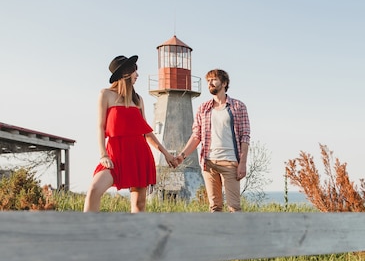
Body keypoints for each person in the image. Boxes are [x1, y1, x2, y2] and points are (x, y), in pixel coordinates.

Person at [84, 55, 178, 213]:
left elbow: (146, 132)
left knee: (139, 205)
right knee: (94, 189)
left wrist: (166, 153)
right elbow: (100, 127)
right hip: (115, 155)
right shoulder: (106, 94)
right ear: (126, 73)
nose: (138, 75)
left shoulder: (138, 100)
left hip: (138, 154)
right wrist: (103, 155)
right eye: (135, 71)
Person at [176, 69, 250, 212]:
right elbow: (196, 135)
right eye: (208, 81)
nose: (210, 83)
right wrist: (182, 156)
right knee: (215, 207)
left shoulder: (238, 107)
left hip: (230, 163)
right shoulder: (203, 108)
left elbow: (245, 136)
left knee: (234, 207)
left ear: (224, 83)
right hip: (209, 163)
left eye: (214, 80)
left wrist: (243, 163)